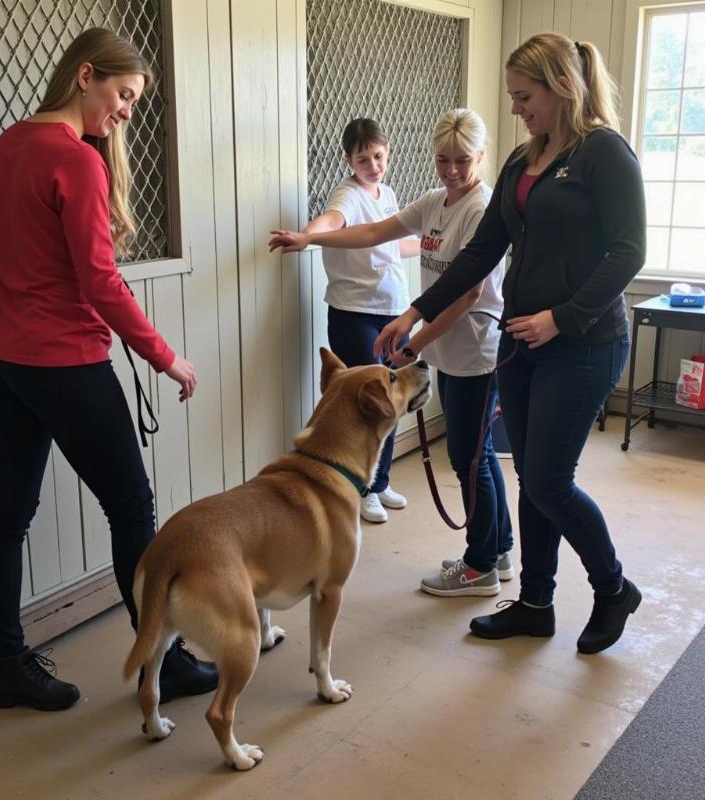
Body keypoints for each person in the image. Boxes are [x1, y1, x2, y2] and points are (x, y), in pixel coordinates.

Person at [0, 28, 217, 710]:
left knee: (8, 516)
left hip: (5, 360)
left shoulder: (8, 145)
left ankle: (6, 666)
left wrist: (7, 293)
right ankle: (166, 663)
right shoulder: (77, 160)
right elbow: (100, 281)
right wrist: (165, 356)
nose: (125, 111)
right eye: (122, 95)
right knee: (132, 508)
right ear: (85, 76)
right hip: (65, 365)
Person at [374, 33, 645, 655]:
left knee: (550, 481)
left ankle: (613, 588)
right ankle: (535, 603)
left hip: (584, 342)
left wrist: (564, 317)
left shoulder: (605, 154)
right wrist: (416, 312)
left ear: (561, 87)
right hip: (521, 343)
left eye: (525, 97)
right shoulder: (523, 161)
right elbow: (482, 251)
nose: (517, 109)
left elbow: (630, 252)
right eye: (513, 99)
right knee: (530, 476)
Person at [271, 109, 514, 598]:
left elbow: (466, 295)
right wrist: (310, 239)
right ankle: (498, 548)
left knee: (469, 456)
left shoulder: (481, 210)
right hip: (450, 349)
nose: (449, 169)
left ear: (481, 157)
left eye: (461, 160)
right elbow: (369, 232)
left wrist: (412, 345)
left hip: (474, 350)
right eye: (442, 159)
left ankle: (481, 564)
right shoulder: (436, 201)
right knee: (475, 455)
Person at [270, 118, 418, 523]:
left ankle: (381, 481)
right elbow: (333, 220)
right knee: (365, 403)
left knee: (393, 398)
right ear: (348, 161)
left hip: (394, 309)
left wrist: (432, 242)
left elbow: (391, 243)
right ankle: (362, 488)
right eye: (362, 158)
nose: (372, 164)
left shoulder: (387, 193)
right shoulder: (348, 194)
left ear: (388, 152)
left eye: (378, 156)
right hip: (354, 314)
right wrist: (307, 236)